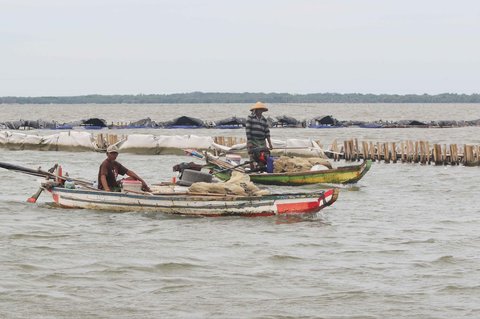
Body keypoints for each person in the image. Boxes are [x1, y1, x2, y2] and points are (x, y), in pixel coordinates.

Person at [246, 102, 273, 170]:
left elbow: (267, 132)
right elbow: (248, 130)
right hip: (253, 140)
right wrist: (249, 142)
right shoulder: (250, 118)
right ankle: (252, 170)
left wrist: (270, 143)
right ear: (256, 110)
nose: (261, 111)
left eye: (262, 110)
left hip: (262, 141)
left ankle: (260, 169)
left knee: (263, 156)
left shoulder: (264, 120)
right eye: (259, 110)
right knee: (252, 155)